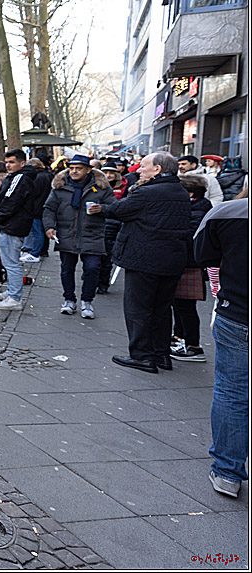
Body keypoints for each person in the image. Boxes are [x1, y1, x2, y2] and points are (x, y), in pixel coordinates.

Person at [98, 152, 191, 373]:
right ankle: (161, 355)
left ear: (158, 169)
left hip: (144, 259)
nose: (138, 170)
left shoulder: (147, 193)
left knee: (138, 309)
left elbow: (118, 211)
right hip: (172, 259)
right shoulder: (180, 191)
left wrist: (100, 208)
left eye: (143, 166)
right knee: (161, 309)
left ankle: (141, 356)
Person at [192, 189, 248, 498]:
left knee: (232, 392)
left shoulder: (228, 212)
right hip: (237, 315)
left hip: (238, 313)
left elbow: (204, 255)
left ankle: (228, 473)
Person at [42, 154, 115, 319]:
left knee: (92, 268)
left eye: (78, 168)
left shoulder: (101, 187)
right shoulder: (60, 187)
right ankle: (69, 300)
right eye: (72, 168)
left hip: (93, 234)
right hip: (67, 234)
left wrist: (102, 209)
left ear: (88, 170)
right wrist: (50, 227)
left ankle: (87, 301)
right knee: (67, 269)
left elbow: (114, 207)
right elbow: (49, 208)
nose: (74, 171)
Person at [169, 174, 214, 361]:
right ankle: (179, 337)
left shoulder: (198, 209)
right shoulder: (197, 206)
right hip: (186, 261)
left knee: (185, 306)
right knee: (179, 304)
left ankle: (194, 346)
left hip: (189, 263)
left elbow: (189, 234)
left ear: (189, 193)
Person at [0, 149, 36, 311]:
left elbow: (10, 201)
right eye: (7, 162)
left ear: (22, 163)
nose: (8, 165)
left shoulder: (21, 178)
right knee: (10, 262)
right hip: (14, 224)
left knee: (11, 263)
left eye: (12, 162)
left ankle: (15, 298)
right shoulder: (19, 177)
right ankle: (12, 291)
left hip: (12, 225)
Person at [95, 168, 126, 294]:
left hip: (115, 225)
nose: (108, 176)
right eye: (105, 173)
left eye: (111, 173)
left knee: (107, 257)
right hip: (97, 224)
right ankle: (94, 279)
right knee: (94, 258)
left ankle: (103, 282)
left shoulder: (124, 187)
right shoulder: (95, 187)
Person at [22, 157, 53, 262]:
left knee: (37, 232)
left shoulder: (37, 178)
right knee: (42, 231)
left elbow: (32, 193)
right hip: (44, 207)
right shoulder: (48, 175)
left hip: (36, 208)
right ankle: (42, 250)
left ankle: (35, 253)